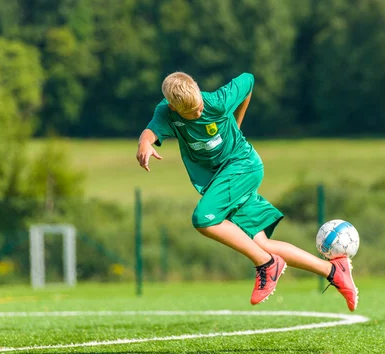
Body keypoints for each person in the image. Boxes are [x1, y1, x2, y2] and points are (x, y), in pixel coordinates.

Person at [135, 71, 359, 311]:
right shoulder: (165, 112)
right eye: (191, 113)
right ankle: (334, 271)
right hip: (223, 178)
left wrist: (237, 124)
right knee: (261, 243)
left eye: (199, 107)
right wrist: (144, 144)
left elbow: (249, 80)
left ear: (199, 92)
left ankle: (266, 265)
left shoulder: (218, 101)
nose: (199, 113)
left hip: (242, 166)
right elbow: (150, 131)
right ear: (173, 107)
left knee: (203, 219)